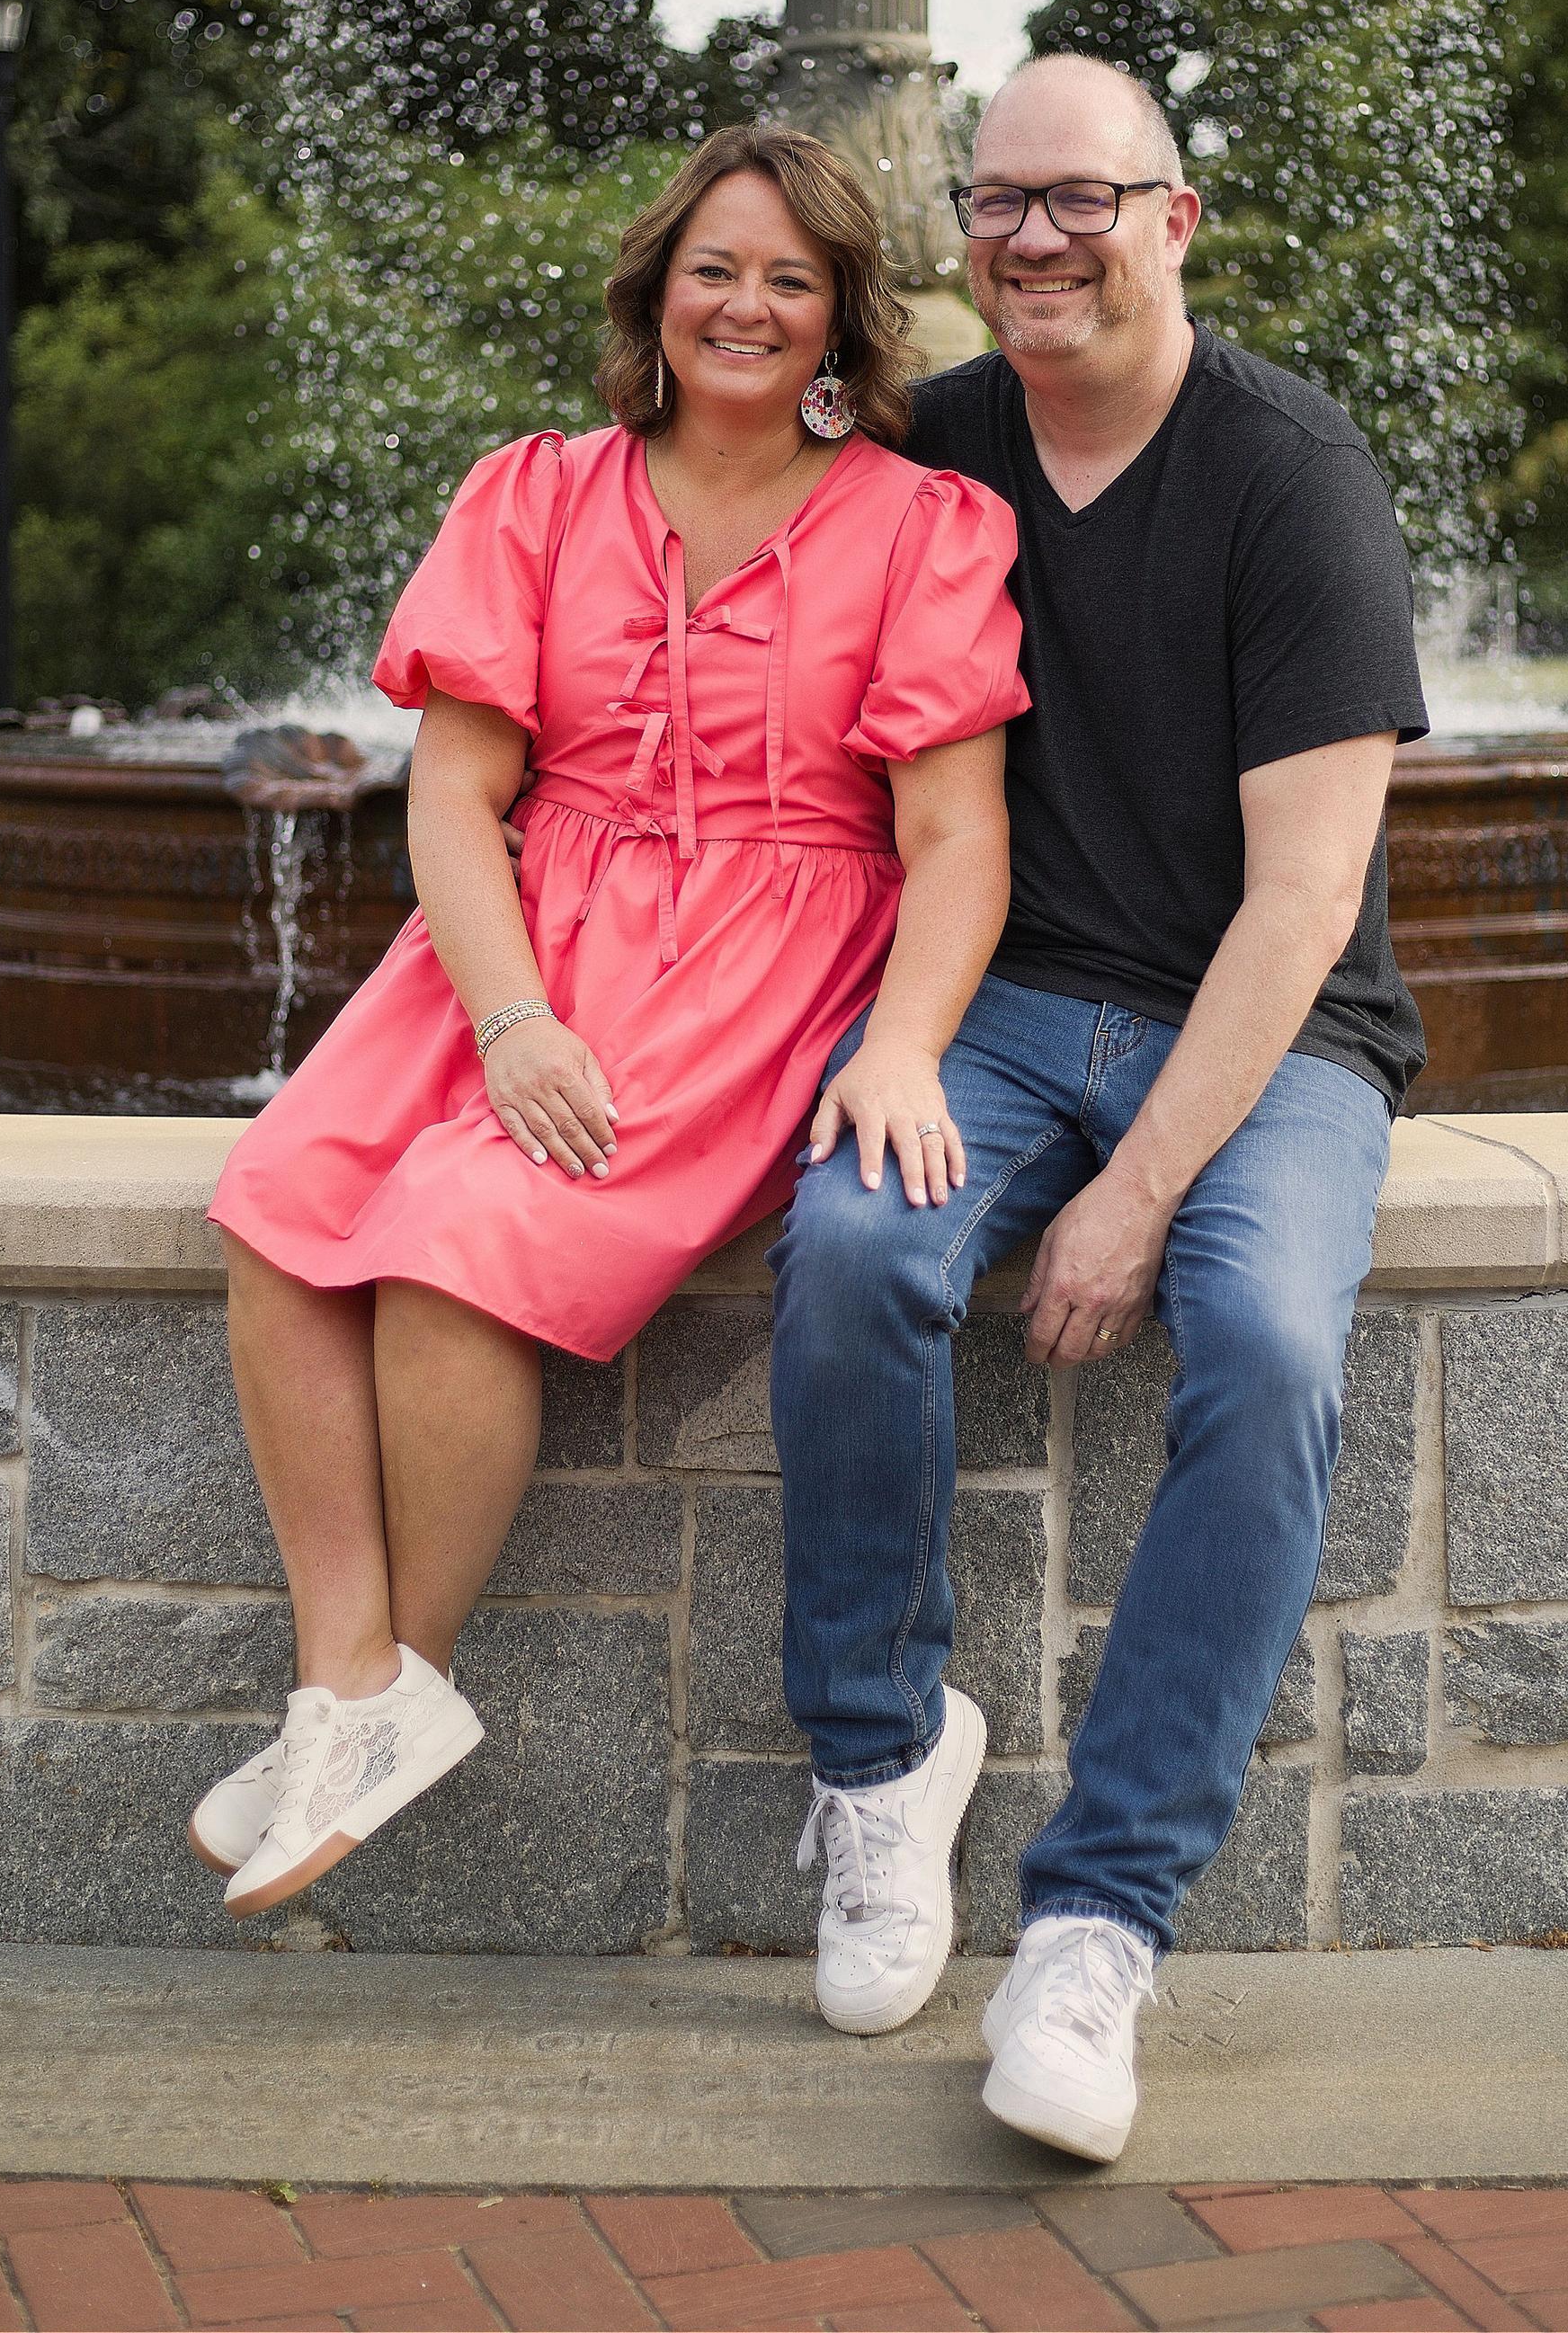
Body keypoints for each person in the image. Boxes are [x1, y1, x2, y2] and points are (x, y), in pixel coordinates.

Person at [196, 127, 1029, 1920]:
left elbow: (957, 836)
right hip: (519, 943)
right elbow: (453, 797)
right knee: (279, 1203)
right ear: (657, 293)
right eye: (714, 269)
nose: (746, 306)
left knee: (450, 1238)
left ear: (841, 319)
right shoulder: (536, 494)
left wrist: (901, 1044)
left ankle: (403, 1683)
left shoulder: (923, 526)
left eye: (790, 279)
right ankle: (348, 1690)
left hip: (756, 966)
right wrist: (510, 1017)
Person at [770, 54, 1429, 2159]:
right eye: (1001, 200)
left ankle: (1097, 1924)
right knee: (851, 1245)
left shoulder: (1289, 476)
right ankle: (881, 1762)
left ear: (1173, 219)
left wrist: (1138, 1192)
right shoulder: (935, 442)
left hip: (1277, 1034)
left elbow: (1304, 904)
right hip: (1007, 1005)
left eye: (1085, 198)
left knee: (1266, 1349)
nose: (1037, 236)